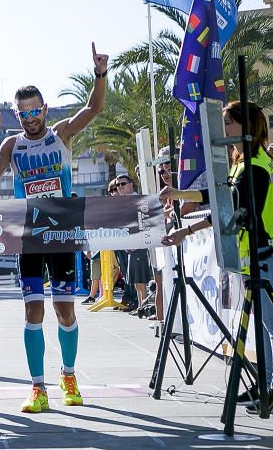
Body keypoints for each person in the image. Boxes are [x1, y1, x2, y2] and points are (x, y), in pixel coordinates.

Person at [0, 43, 108, 413]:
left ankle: (68, 376)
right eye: (23, 112)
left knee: (65, 312)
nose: (30, 117)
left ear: (45, 110)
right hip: (30, 235)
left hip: (64, 232)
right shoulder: (12, 144)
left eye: (35, 110)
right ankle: (37, 388)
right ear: (16, 115)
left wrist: (99, 74)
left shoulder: (61, 134)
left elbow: (94, 109)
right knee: (32, 312)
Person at [161, 100, 273, 411]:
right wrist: (179, 195)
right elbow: (219, 199)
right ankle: (265, 386)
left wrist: (187, 228)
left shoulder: (256, 166)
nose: (223, 130)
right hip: (254, 256)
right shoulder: (242, 163)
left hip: (266, 254)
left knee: (270, 326)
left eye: (228, 123)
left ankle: (269, 387)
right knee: (261, 327)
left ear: (245, 126)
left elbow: (235, 207)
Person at [114, 174, 150, 314]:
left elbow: (143, 222)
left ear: (131, 185)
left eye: (122, 184)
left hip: (138, 245)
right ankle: (141, 306)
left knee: (140, 280)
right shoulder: (125, 202)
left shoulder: (137, 200)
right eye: (117, 185)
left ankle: (144, 307)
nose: (119, 187)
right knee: (135, 280)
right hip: (130, 245)